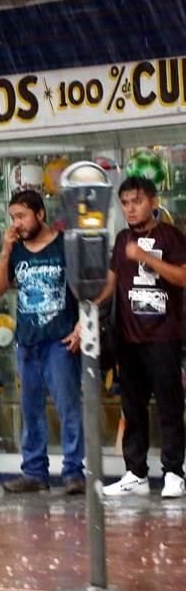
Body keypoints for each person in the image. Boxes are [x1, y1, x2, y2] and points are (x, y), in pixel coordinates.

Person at [96, 177, 186, 498]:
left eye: (136, 201)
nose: (130, 209)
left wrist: (146, 258)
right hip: (128, 339)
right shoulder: (121, 240)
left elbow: (182, 276)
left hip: (163, 336)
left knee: (169, 406)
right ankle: (135, 473)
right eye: (125, 203)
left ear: (152, 201)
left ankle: (174, 472)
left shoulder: (170, 236)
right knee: (132, 408)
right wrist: (90, 303)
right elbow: (110, 282)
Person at [0, 190, 84, 495]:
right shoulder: (15, 249)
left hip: (60, 340)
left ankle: (73, 472)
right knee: (30, 411)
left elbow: (87, 288)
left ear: (40, 214)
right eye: (13, 217)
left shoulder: (64, 245)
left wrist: (83, 325)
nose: (17, 223)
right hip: (27, 342)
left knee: (68, 408)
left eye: (22, 216)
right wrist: (5, 251)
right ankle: (34, 472)